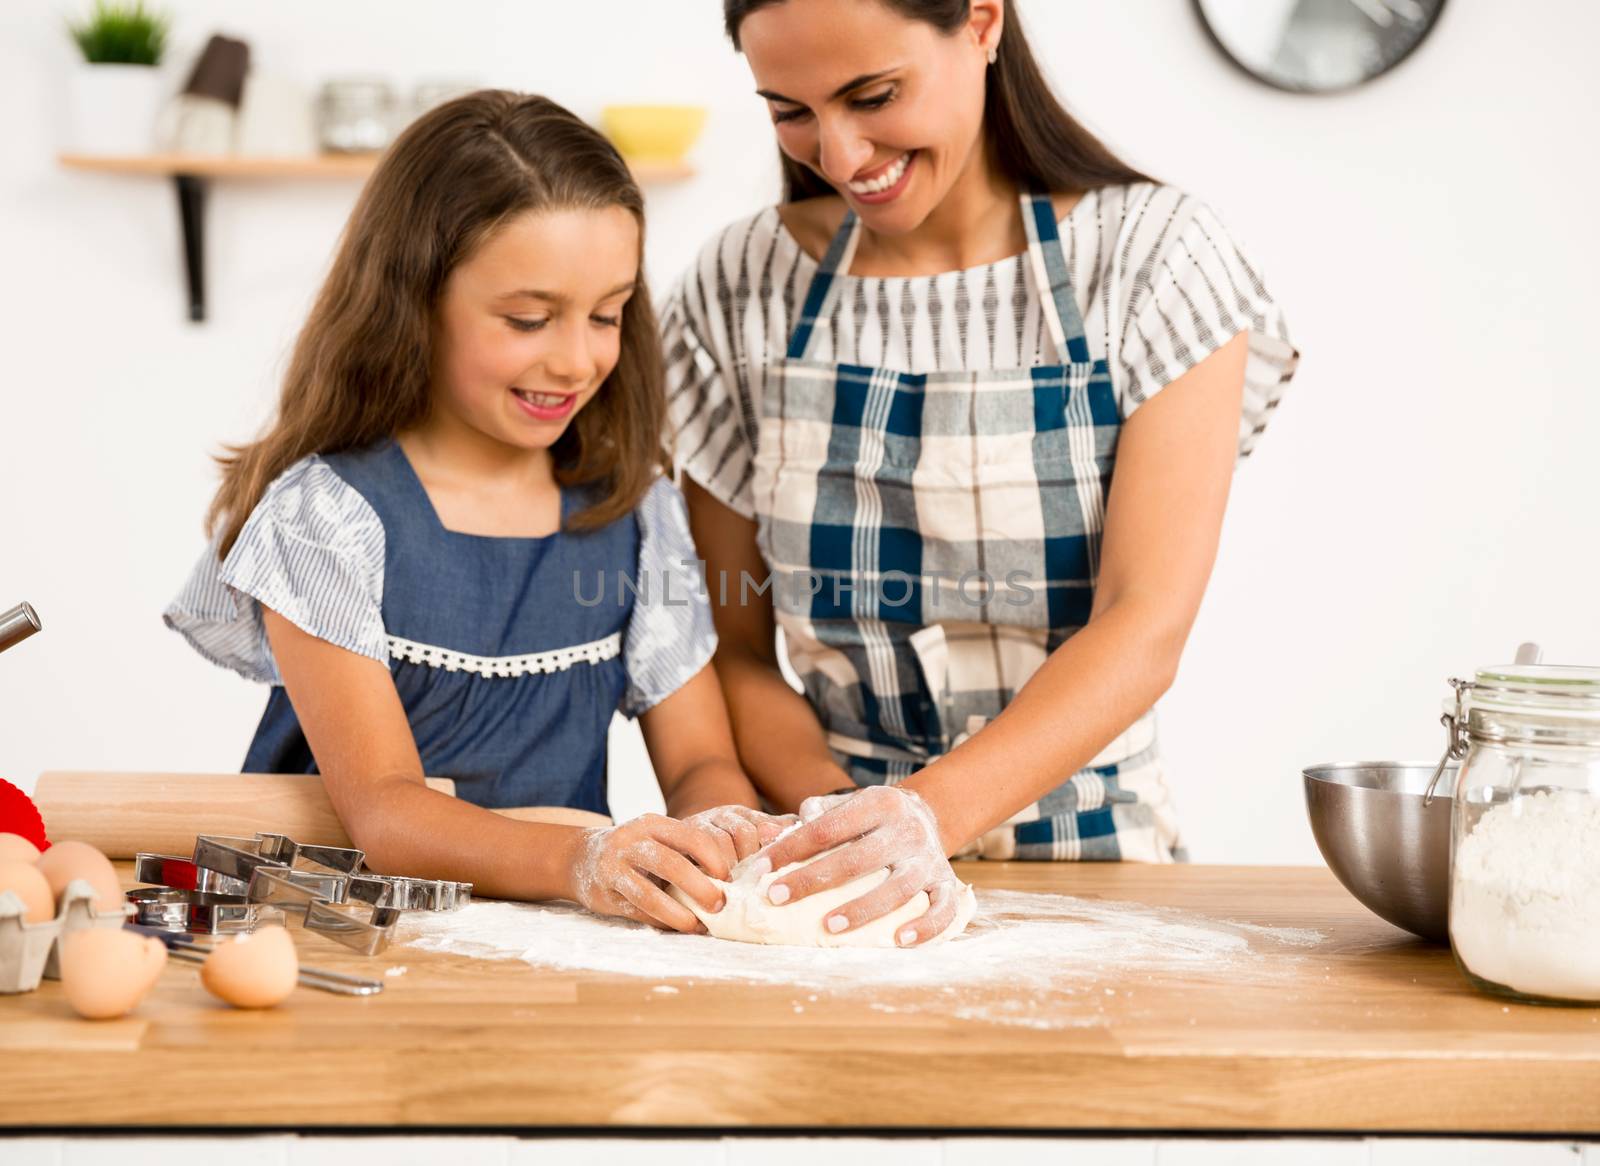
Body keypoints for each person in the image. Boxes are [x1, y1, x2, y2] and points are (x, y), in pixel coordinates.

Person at [665, 0, 1299, 945]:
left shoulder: (1153, 260)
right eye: (789, 111)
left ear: (982, 22)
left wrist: (930, 816)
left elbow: (1144, 620)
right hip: (827, 871)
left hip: (1098, 876)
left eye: (872, 95)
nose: (837, 157)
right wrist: (845, 830)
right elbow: (737, 643)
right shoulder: (741, 282)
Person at [166, 90, 786, 931]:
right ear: (414, 302)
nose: (575, 359)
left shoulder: (639, 517)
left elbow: (703, 757)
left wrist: (718, 826)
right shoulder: (325, 519)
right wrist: (581, 859)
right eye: (529, 319)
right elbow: (386, 812)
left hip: (550, 953)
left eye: (607, 315)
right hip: (335, 940)